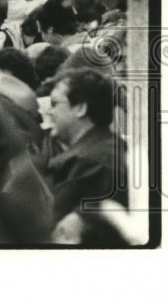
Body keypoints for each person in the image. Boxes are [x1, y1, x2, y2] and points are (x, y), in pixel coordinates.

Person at [43, 68, 127, 223]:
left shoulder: (88, 162)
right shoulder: (111, 148)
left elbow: (50, 225)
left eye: (55, 103)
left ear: (80, 108)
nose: (48, 111)